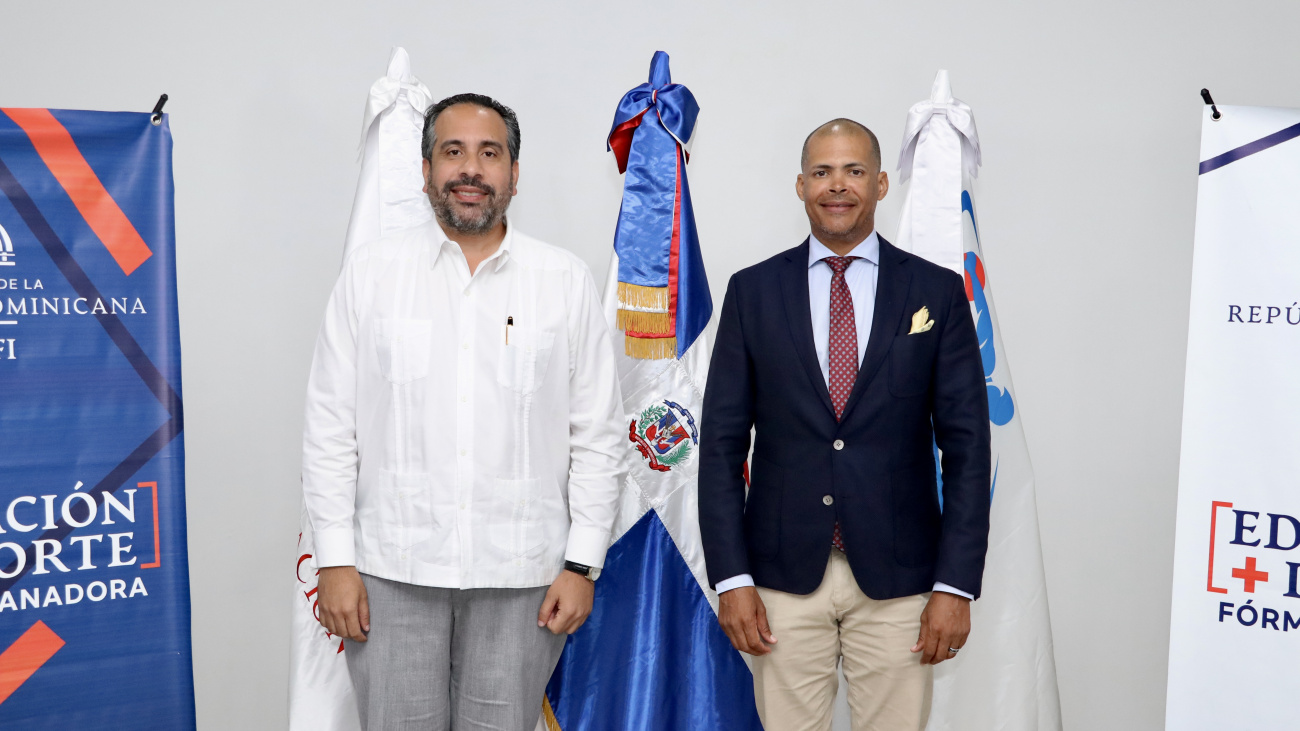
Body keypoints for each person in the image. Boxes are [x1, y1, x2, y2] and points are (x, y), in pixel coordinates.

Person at [301, 93, 625, 731]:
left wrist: (582, 563)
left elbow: (598, 434)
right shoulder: (371, 274)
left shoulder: (562, 280)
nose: (470, 170)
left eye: (489, 153)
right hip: (390, 572)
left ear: (513, 172)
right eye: (453, 152)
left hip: (524, 574)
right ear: (425, 171)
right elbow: (330, 427)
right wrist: (334, 562)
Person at [698, 119, 991, 731]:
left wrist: (955, 586)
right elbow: (723, 448)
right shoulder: (752, 292)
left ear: (881, 183)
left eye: (854, 171)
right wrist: (732, 578)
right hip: (779, 581)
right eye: (823, 172)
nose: (838, 185)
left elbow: (966, 449)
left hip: (903, 582)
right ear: (800, 186)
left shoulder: (935, 292)